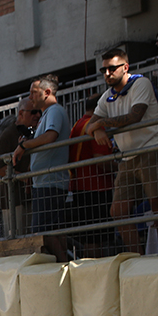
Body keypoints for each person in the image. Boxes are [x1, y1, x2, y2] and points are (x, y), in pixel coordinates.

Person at [84, 47, 158, 252]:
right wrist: (97, 129)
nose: (107, 73)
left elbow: (135, 116)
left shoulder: (141, 83)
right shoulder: (107, 96)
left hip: (153, 150)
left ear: (125, 67)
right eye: (104, 70)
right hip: (127, 157)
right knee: (118, 211)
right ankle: (137, 257)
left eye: (112, 68)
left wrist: (101, 124)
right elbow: (90, 126)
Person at [15, 73, 71, 260]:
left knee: (43, 231)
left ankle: (64, 263)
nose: (30, 98)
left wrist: (24, 146)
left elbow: (50, 136)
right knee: (51, 229)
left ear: (47, 92)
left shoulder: (54, 111)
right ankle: (64, 264)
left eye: (34, 93)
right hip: (45, 181)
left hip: (50, 181)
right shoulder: (49, 113)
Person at [68, 109, 117, 259]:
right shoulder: (96, 127)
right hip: (98, 187)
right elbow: (101, 159)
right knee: (98, 238)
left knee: (89, 237)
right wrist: (121, 166)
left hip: (79, 186)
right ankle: (99, 271)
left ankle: (90, 271)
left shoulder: (78, 125)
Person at [0, 97, 39, 237]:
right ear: (21, 114)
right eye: (33, 112)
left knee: (31, 235)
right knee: (17, 237)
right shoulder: (9, 134)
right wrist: (23, 178)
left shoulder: (32, 133)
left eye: (38, 112)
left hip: (29, 196)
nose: (37, 115)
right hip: (13, 199)